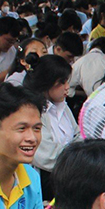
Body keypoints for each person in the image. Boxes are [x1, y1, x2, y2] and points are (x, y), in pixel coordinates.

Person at [22, 55, 77, 200]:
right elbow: (46, 156)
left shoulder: (63, 106)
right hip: (47, 183)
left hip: (70, 173)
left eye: (68, 81)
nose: (67, 87)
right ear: (47, 83)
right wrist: (78, 154)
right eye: (62, 82)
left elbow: (79, 134)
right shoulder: (34, 113)